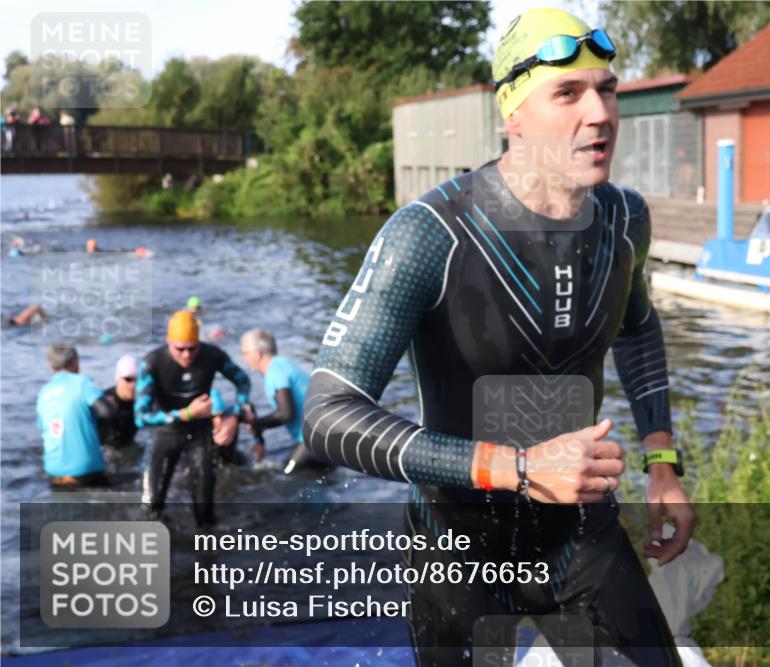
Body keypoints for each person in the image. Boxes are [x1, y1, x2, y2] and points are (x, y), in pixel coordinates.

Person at [302, 9, 692, 666]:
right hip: (456, 545)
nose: (599, 113)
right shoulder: (429, 234)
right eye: (567, 93)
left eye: (607, 89)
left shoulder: (627, 219)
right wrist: (515, 468)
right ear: (512, 115)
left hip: (578, 534)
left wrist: (662, 462)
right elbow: (325, 415)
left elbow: (638, 327)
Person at [135, 310, 253, 527]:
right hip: (165, 435)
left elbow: (243, 382)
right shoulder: (152, 363)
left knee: (205, 511)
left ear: (199, 342)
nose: (187, 355)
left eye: (192, 348)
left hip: (200, 434)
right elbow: (141, 418)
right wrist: (186, 413)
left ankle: (207, 557)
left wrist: (234, 414)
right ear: (168, 341)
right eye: (180, 349)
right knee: (152, 509)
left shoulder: (213, 355)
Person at [36, 344, 110, 488]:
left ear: (51, 366)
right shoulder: (83, 384)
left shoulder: (43, 393)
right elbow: (106, 411)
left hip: (53, 472)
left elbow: (43, 427)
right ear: (76, 360)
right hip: (85, 472)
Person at [240, 329, 311, 473]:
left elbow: (286, 414)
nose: (243, 358)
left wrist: (256, 423)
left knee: (286, 475)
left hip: (312, 440)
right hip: (320, 435)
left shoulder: (275, 371)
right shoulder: (283, 363)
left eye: (245, 353)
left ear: (257, 353)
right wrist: (261, 427)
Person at [95, 355, 139, 450]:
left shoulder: (142, 401)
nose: (133, 385)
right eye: (128, 379)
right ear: (118, 379)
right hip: (106, 453)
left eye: (137, 380)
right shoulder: (103, 402)